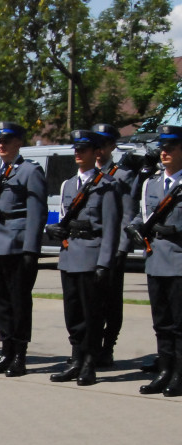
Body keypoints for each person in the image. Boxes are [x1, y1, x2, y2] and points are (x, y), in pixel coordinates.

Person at [46, 130, 122, 386]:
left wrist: (104, 262)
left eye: (84, 150)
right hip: (70, 256)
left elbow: (111, 228)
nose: (78, 154)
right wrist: (54, 229)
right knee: (73, 313)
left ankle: (90, 362)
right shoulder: (68, 184)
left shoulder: (107, 185)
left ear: (96, 152)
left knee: (92, 314)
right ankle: (76, 359)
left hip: (91, 255)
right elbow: (65, 219)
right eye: (76, 150)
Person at [0, 121, 46, 377]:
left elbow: (37, 213)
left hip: (16, 243)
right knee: (0, 301)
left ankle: (19, 355)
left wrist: (31, 250)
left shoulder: (29, 171)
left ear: (18, 143)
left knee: (18, 301)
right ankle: (5, 351)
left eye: (6, 141)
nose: (1, 145)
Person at [130, 124, 182, 396]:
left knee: (179, 323)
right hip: (155, 260)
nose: (164, 152)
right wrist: (134, 227)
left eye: (171, 147)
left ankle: (179, 373)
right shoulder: (151, 183)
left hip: (179, 261)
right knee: (161, 322)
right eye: (162, 148)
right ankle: (164, 370)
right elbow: (143, 215)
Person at [90, 123, 135, 367]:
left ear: (112, 146)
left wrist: (121, 250)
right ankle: (90, 347)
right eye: (95, 144)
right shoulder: (86, 173)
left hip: (113, 249)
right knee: (91, 301)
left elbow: (127, 216)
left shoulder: (122, 175)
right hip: (91, 248)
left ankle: (107, 347)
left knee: (111, 302)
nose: (99, 150)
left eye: (104, 144)